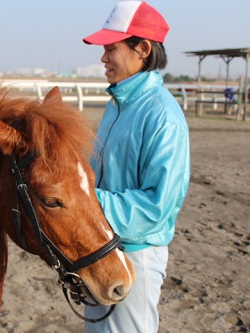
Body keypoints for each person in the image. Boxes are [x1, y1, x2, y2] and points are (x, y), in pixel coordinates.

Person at [81, 1, 190, 332]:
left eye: (110, 48)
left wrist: (86, 203)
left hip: (135, 255)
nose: (103, 58)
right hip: (101, 249)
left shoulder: (163, 117)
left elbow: (157, 206)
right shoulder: (117, 106)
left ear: (142, 49)